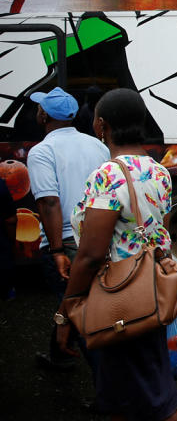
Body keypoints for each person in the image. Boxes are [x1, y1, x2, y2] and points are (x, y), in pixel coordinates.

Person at [55, 88, 177, 421]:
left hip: (116, 302)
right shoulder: (160, 172)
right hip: (149, 295)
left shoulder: (106, 176)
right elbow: (160, 236)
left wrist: (66, 310)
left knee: (155, 404)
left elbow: (90, 255)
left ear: (102, 125)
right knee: (128, 401)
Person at [26, 87, 109, 371]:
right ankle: (59, 353)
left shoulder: (42, 151)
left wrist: (57, 250)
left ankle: (108, 394)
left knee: (78, 309)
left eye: (40, 108)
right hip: (98, 238)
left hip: (66, 242)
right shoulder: (97, 145)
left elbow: (49, 202)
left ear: (44, 115)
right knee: (78, 302)